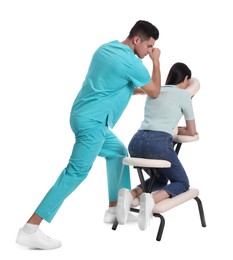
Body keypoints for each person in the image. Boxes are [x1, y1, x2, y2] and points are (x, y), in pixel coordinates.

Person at [16, 20, 161, 250]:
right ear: (137, 40)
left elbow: (113, 85)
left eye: (152, 49)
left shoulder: (106, 49)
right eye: (149, 46)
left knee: (118, 152)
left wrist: (136, 90)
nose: (149, 51)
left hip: (81, 116)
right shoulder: (132, 62)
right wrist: (156, 62)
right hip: (94, 124)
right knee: (75, 172)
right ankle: (30, 229)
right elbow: (155, 92)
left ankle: (114, 210)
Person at [116, 62, 198, 231]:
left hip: (136, 142)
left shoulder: (155, 90)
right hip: (158, 144)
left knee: (160, 179)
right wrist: (180, 128)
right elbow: (192, 131)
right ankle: (151, 200)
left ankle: (130, 194)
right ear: (186, 79)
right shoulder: (184, 95)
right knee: (182, 182)